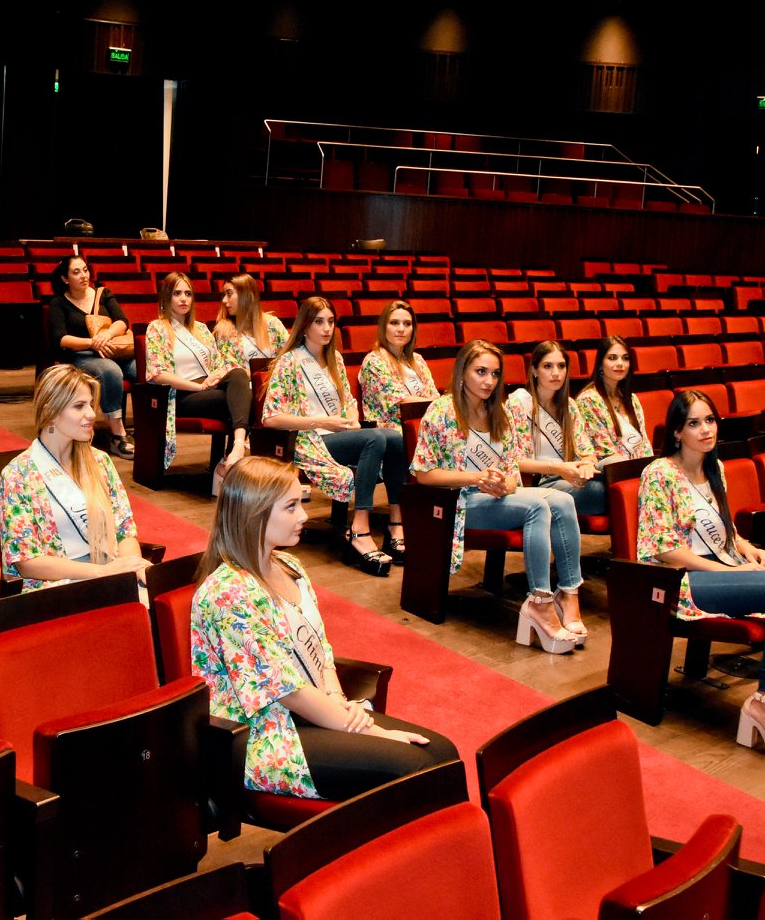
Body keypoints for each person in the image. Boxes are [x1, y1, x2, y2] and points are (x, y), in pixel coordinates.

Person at [190, 456, 458, 800]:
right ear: (254, 513)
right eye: (291, 507)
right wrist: (369, 731)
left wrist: (340, 702)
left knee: (442, 751)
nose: (304, 515)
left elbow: (321, 650)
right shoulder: (228, 592)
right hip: (263, 736)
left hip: (310, 713)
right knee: (415, 766)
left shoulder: (290, 566)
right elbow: (288, 691)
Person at [639, 390, 765, 762]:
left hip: (723, 568)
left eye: (710, 420)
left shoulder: (714, 467)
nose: (706, 430)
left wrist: (746, 547)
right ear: (677, 432)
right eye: (694, 423)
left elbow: (723, 527)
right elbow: (663, 548)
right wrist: (730, 570)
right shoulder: (659, 473)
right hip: (682, 580)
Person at [410, 339, 587, 650]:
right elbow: (423, 474)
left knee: (563, 500)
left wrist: (505, 483)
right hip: (458, 501)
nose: (489, 381)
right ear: (462, 371)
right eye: (480, 372)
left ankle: (569, 594)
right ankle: (540, 602)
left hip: (494, 498)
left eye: (494, 374)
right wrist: (476, 477)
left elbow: (512, 471)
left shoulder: (499, 413)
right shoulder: (441, 410)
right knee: (537, 506)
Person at [261, 296, 407, 576]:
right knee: (375, 438)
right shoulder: (289, 362)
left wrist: (350, 418)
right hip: (310, 440)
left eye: (330, 322)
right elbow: (271, 417)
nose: (327, 328)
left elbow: (349, 401)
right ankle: (359, 528)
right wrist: (323, 421)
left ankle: (395, 522)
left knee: (395, 438)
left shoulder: (335, 359)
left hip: (338, 435)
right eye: (319, 322)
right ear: (305, 326)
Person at [0, 364, 149, 592]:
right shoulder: (18, 474)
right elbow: (27, 562)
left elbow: (124, 531)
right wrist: (103, 573)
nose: (92, 414)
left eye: (90, 404)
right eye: (79, 406)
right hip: (57, 587)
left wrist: (131, 567)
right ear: (50, 411)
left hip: (110, 572)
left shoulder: (100, 462)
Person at [143, 271, 252, 483]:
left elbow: (219, 364)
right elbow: (157, 374)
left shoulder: (201, 328)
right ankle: (229, 464)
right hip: (181, 394)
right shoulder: (157, 328)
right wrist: (198, 387)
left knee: (239, 375)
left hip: (208, 388)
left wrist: (216, 376)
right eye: (177, 293)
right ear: (166, 297)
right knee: (240, 399)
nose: (183, 299)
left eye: (188, 294)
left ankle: (236, 448)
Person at [47, 256, 136, 458]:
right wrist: (92, 342)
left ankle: (151, 427)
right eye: (76, 272)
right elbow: (61, 339)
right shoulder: (58, 303)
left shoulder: (103, 294)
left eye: (85, 270)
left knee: (145, 370)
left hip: (114, 349)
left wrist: (106, 335)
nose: (83, 275)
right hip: (82, 355)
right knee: (110, 371)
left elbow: (122, 321)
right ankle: (118, 435)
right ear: (65, 279)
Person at [506, 340, 604, 515]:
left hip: (572, 474)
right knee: (599, 491)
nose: (556, 373)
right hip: (541, 481)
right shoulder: (518, 403)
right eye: (547, 366)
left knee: (615, 469)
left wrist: (587, 464)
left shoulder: (569, 405)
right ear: (534, 370)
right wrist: (558, 468)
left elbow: (587, 451)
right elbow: (513, 460)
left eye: (561, 366)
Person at [358, 301, 439, 431]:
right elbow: (399, 402)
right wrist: (437, 404)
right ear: (383, 327)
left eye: (407, 324)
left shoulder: (418, 360)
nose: (401, 329)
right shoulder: (374, 361)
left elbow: (433, 395)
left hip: (423, 423)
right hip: (392, 429)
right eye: (394, 323)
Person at [572, 336, 652, 467]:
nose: (620, 363)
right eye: (612, 358)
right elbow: (603, 450)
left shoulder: (632, 399)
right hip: (610, 469)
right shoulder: (588, 400)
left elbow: (644, 443)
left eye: (625, 358)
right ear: (600, 363)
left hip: (637, 467)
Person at [213, 273, 289, 373]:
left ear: (246, 295)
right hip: (244, 383)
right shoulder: (224, 331)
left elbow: (290, 356)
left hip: (276, 381)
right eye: (224, 294)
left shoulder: (273, 324)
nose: (224, 300)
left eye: (229, 294)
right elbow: (230, 369)